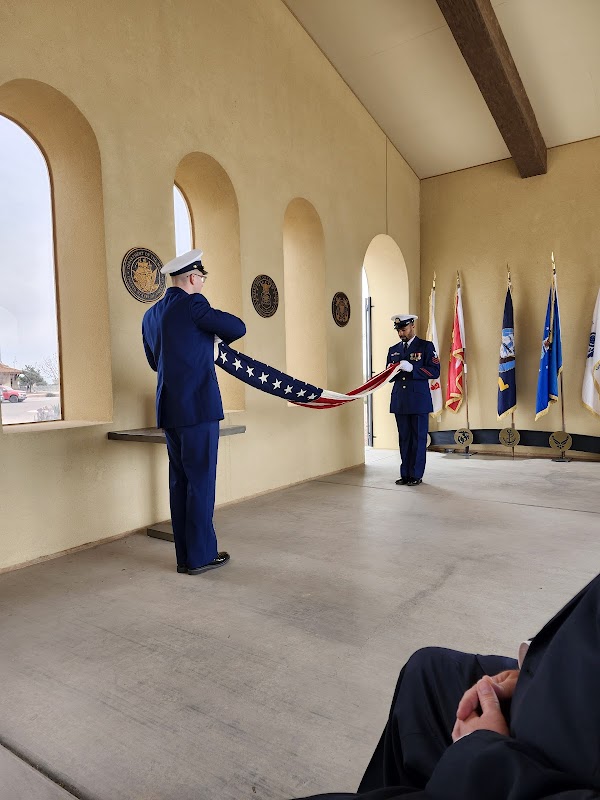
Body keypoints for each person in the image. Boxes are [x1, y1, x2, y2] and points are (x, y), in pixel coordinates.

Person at [289, 570, 600, 799]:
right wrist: (531, 669)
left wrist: (486, 751)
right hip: (565, 694)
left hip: (536, 771)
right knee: (429, 669)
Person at [142, 248, 246, 575]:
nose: (202, 283)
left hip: (169, 409)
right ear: (191, 277)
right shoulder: (194, 304)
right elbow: (237, 327)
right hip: (198, 408)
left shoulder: (151, 315)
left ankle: (184, 557)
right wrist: (209, 333)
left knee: (180, 482)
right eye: (201, 277)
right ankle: (200, 557)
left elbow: (153, 361)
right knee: (201, 483)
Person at [387, 314, 440, 486]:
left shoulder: (426, 346)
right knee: (404, 439)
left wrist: (413, 368)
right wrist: (391, 372)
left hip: (418, 401)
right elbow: (388, 377)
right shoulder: (393, 349)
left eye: (403, 330)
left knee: (418, 439)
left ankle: (416, 474)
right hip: (400, 400)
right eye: (399, 331)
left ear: (412, 327)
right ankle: (405, 474)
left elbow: (435, 371)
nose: (401, 334)